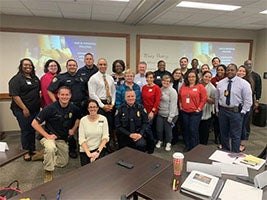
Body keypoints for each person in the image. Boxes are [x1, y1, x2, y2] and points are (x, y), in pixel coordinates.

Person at [31, 86, 81, 183]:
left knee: (63, 162)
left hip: (62, 138)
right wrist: (47, 135)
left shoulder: (74, 108)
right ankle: (48, 171)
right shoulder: (50, 108)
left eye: (67, 95)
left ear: (70, 96)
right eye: (62, 94)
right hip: (49, 136)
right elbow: (34, 123)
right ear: (58, 95)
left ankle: (44, 155)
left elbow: (78, 118)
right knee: (50, 148)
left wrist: (73, 129)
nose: (64, 97)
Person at [48, 59, 87, 158]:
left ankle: (84, 147)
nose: (72, 67)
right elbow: (50, 90)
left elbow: (86, 91)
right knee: (69, 128)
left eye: (74, 65)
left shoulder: (82, 77)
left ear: (77, 66)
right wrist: (56, 103)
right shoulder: (60, 77)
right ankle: (72, 149)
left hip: (82, 106)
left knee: (83, 127)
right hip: (68, 107)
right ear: (67, 66)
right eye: (70, 65)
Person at [215, 63, 252, 153]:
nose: (230, 72)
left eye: (232, 70)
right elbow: (217, 97)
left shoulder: (244, 84)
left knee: (235, 135)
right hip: (223, 111)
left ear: (236, 71)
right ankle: (225, 152)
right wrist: (217, 109)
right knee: (223, 134)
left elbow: (248, 100)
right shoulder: (221, 83)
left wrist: (243, 112)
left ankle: (235, 154)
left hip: (236, 112)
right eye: (228, 70)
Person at [9, 58, 41, 161]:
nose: (28, 67)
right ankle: (26, 151)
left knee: (32, 129)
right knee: (26, 130)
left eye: (30, 65)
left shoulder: (35, 78)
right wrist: (24, 108)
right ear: (21, 66)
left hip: (35, 109)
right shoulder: (16, 79)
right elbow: (15, 95)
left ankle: (32, 149)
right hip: (22, 110)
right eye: (25, 65)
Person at [88, 58, 116, 151]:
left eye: (104, 64)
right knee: (100, 126)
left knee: (110, 125)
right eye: (100, 64)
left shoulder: (110, 77)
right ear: (97, 65)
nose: (103, 66)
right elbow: (92, 94)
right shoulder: (93, 78)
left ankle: (109, 144)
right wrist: (102, 106)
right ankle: (100, 146)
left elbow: (113, 92)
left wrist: (112, 104)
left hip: (110, 104)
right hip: (99, 105)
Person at [179, 70, 207, 151]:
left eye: (193, 76)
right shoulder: (184, 86)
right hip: (185, 112)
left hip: (195, 113)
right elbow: (180, 96)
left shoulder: (200, 86)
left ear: (196, 78)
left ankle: (194, 148)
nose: (191, 78)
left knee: (193, 130)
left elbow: (204, 98)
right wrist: (181, 106)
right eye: (189, 76)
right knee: (186, 129)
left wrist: (199, 108)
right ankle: (187, 145)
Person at [79, 99, 109, 166]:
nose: (93, 109)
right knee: (86, 172)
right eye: (90, 107)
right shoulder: (83, 120)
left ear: (98, 108)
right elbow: (81, 139)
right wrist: (89, 154)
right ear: (87, 109)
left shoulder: (103, 119)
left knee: (99, 169)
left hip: (99, 149)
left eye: (94, 107)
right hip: (86, 150)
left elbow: (105, 137)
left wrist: (97, 152)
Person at [155, 75, 178, 151]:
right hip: (160, 113)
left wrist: (171, 116)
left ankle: (168, 143)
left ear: (170, 82)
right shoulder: (160, 89)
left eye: (168, 81)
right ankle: (160, 140)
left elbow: (173, 104)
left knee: (168, 130)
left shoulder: (172, 91)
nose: (166, 82)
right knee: (159, 129)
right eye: (164, 81)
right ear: (162, 81)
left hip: (170, 114)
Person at [141, 71, 161, 153]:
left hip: (152, 111)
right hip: (144, 111)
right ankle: (147, 145)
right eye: (148, 77)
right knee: (145, 128)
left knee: (147, 128)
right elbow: (143, 100)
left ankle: (151, 146)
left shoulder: (156, 88)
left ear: (154, 79)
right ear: (146, 78)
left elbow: (157, 101)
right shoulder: (144, 87)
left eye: (151, 77)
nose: (149, 79)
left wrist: (152, 111)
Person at [237, 65, 254, 152]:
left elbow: (248, 100)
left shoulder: (247, 83)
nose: (241, 72)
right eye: (239, 70)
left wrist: (244, 110)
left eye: (243, 71)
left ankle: (242, 144)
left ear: (246, 73)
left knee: (242, 126)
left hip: (245, 108)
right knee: (238, 126)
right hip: (237, 108)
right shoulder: (235, 81)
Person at [210, 64, 226, 147]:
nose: (220, 71)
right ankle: (216, 137)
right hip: (216, 103)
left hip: (224, 104)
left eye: (222, 70)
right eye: (218, 70)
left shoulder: (227, 80)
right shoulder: (213, 79)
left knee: (224, 123)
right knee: (216, 122)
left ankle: (222, 139)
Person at [199, 71, 216, 145]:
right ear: (202, 76)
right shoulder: (197, 84)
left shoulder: (212, 88)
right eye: (206, 76)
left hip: (206, 112)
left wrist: (205, 98)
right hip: (196, 111)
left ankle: (203, 146)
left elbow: (214, 101)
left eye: (209, 77)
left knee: (204, 132)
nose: (207, 78)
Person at [171, 68, 183, 144]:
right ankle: (172, 138)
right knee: (172, 123)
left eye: (179, 73)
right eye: (176, 73)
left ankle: (176, 138)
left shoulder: (183, 83)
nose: (177, 74)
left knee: (178, 122)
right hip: (171, 105)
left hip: (180, 105)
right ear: (173, 74)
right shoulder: (170, 82)